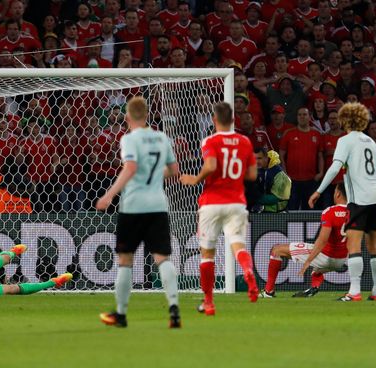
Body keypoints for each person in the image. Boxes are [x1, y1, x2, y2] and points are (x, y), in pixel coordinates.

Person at [96, 96, 181, 328]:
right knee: (162, 258)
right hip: (158, 205)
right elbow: (174, 170)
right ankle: (174, 309)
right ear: (147, 115)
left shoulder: (129, 139)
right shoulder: (162, 138)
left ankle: (121, 314)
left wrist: (109, 194)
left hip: (133, 207)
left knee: (125, 260)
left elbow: (131, 167)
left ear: (127, 116)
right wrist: (153, 176)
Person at [179, 102, 259, 316]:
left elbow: (212, 166)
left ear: (215, 120)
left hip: (212, 202)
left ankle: (208, 302)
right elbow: (252, 175)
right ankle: (248, 271)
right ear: (233, 120)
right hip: (236, 201)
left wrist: (195, 179)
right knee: (238, 246)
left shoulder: (210, 140)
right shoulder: (245, 142)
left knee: (207, 254)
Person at [309, 102, 376, 301]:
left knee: (354, 244)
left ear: (345, 120)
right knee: (373, 245)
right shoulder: (370, 141)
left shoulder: (345, 141)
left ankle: (354, 292)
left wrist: (318, 190)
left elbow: (335, 168)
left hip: (359, 199)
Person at [261, 183, 349, 298]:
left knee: (276, 250)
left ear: (337, 194)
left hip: (326, 256)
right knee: (318, 269)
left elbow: (322, 240)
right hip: (341, 260)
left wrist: (308, 262)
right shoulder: (354, 212)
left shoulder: (330, 212)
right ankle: (314, 287)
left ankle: (268, 291)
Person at [255, 148, 291, 213]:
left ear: (266, 158)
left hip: (277, 214)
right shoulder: (258, 170)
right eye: (254, 158)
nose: (256, 161)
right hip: (261, 212)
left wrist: (255, 198)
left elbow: (276, 198)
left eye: (259, 158)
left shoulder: (279, 174)